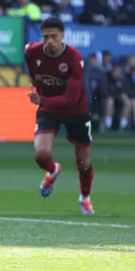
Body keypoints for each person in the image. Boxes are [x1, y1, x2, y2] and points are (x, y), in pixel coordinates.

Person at [24, 17, 94, 215]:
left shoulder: (74, 58)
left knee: (83, 162)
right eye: (46, 37)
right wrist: (38, 90)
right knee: (41, 154)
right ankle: (53, 170)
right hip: (49, 109)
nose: (50, 41)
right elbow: (32, 68)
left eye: (54, 36)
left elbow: (70, 99)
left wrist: (41, 100)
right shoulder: (32, 51)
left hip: (76, 111)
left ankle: (85, 199)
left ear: (63, 36)